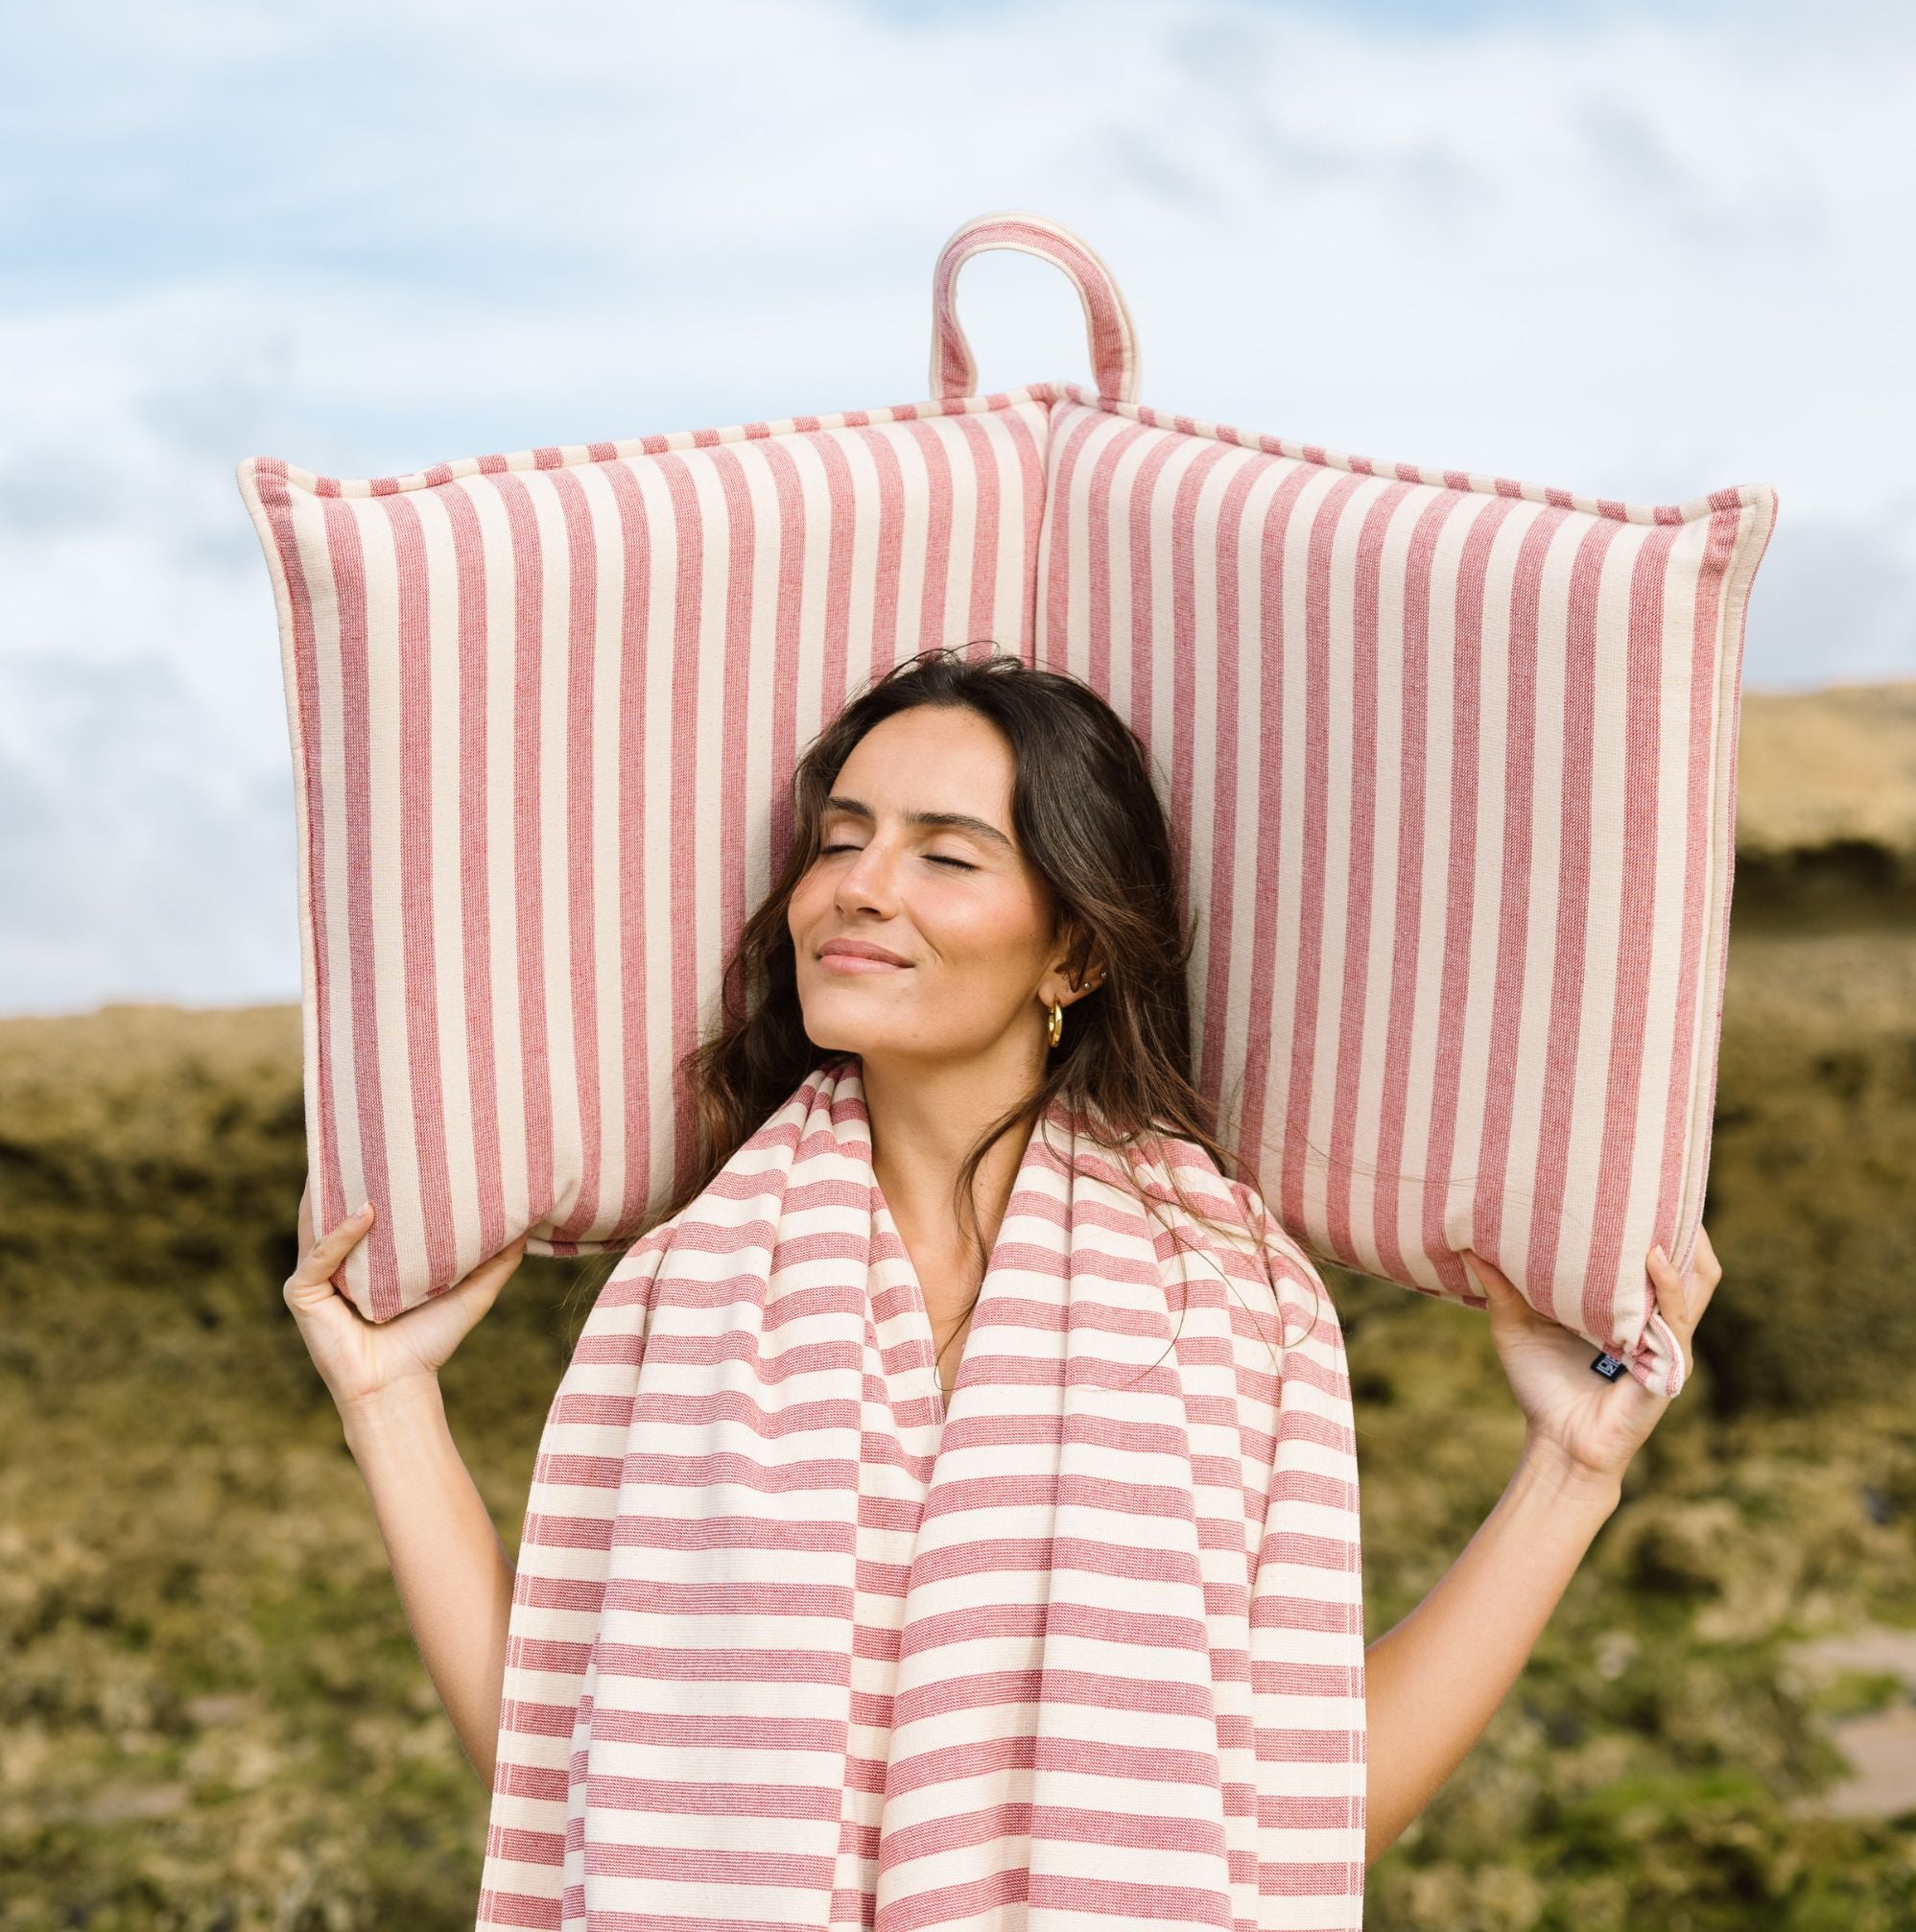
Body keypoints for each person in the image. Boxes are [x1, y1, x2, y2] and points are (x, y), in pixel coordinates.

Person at [283, 644, 1722, 1877]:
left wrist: (1571, 1469)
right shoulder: (689, 1289)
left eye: (947, 854)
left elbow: (1303, 1817)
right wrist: (388, 1401)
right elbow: (565, 1783)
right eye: (839, 841)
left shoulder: (1229, 1299)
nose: (859, 888)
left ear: (1073, 956)